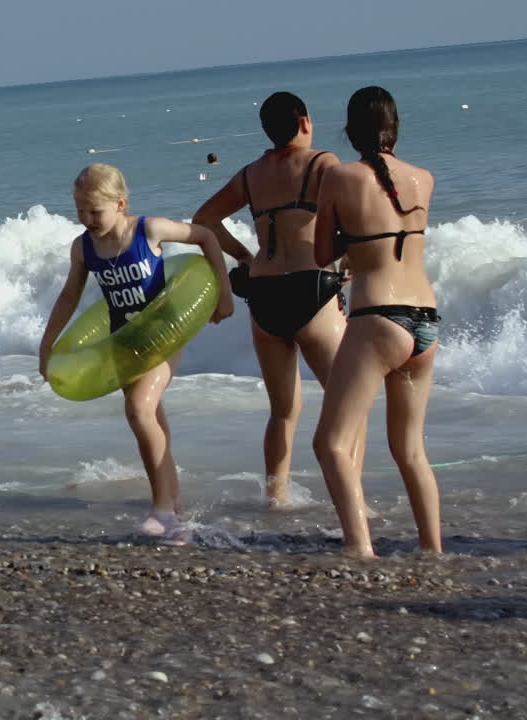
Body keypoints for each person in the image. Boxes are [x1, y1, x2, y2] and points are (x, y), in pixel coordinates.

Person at [39, 164, 233, 541]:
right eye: (80, 211)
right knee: (150, 419)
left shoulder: (149, 230)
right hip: (124, 345)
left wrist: (223, 291)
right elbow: (68, 297)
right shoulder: (83, 248)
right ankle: (175, 505)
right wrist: (47, 346)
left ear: (121, 204)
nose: (87, 219)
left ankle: (161, 510)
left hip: (163, 337)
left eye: (95, 211)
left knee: (139, 409)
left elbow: (206, 236)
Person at [192, 91, 364, 508]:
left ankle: (276, 497)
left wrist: (244, 256)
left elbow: (204, 220)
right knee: (348, 405)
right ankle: (353, 500)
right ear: (305, 122)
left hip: (264, 293)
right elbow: (356, 215)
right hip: (312, 288)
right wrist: (349, 259)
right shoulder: (323, 164)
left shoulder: (251, 174)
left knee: (283, 411)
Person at [311, 86, 441, 559]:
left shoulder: (340, 176)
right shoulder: (424, 178)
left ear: (350, 131)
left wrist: (353, 243)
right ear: (395, 127)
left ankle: (359, 547)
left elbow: (322, 253)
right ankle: (432, 549)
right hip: (426, 321)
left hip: (378, 319)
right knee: (411, 450)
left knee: (331, 444)